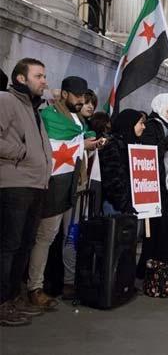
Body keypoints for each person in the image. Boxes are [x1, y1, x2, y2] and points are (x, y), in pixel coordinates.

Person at [27, 76, 100, 309]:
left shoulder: (78, 121)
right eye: (77, 96)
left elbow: (79, 140)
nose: (81, 101)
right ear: (65, 94)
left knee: (62, 236)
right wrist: (81, 143)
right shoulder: (48, 117)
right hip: (51, 185)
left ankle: (52, 282)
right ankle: (33, 286)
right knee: (43, 237)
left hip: (72, 185)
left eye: (84, 97)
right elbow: (49, 145)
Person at [0, 58, 51, 326]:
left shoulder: (34, 108)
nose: (44, 81)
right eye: (39, 76)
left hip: (35, 184)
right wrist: (20, 152)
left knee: (23, 245)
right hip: (14, 185)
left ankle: (13, 297)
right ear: (21, 78)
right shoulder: (6, 101)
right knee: (8, 246)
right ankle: (1, 303)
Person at [138, 93, 168, 275]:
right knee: (158, 234)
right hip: (158, 189)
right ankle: (152, 274)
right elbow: (150, 155)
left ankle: (166, 273)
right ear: (162, 105)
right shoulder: (152, 126)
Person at [99, 109, 145, 215]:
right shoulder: (112, 146)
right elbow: (112, 179)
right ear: (130, 124)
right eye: (141, 123)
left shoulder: (134, 144)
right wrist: (124, 204)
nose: (144, 127)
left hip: (131, 205)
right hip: (116, 207)